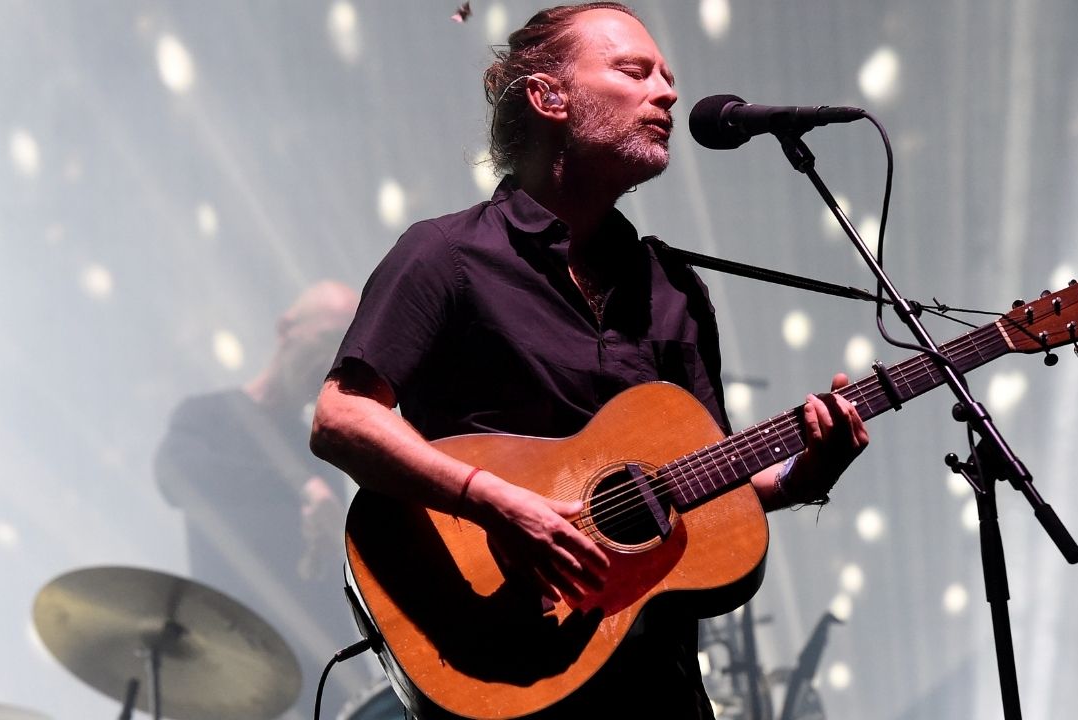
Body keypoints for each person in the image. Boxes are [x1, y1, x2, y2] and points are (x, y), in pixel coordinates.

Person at [309, 3, 870, 718]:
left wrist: (802, 477)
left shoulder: (675, 290)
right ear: (549, 97)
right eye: (635, 72)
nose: (667, 93)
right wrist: (497, 503)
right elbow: (342, 417)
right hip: (501, 651)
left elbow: (705, 482)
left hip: (659, 686)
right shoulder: (446, 255)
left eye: (668, 78)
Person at [156, 280, 367, 718]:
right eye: (328, 339)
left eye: (343, 354)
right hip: (226, 664)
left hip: (315, 681)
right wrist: (298, 487)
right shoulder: (207, 415)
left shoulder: (320, 453)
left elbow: (329, 584)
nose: (331, 363)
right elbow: (174, 474)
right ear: (286, 328)